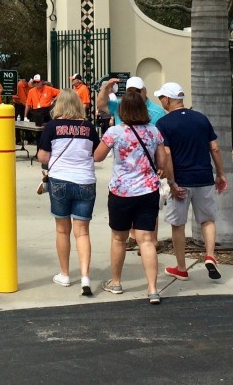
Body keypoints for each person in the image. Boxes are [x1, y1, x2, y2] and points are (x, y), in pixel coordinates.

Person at [93, 88, 177, 304]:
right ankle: (152, 289)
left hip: (121, 191)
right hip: (148, 191)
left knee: (119, 238)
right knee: (147, 240)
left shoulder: (115, 132)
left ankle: (116, 282)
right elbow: (161, 162)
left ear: (123, 110)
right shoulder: (153, 131)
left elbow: (98, 157)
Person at [154, 82, 228, 281]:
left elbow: (167, 155)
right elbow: (215, 148)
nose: (160, 101)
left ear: (168, 99)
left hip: (182, 182)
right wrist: (220, 173)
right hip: (204, 178)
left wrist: (171, 182)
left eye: (161, 97)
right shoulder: (201, 119)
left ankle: (181, 267)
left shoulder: (164, 123)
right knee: (207, 219)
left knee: (178, 224)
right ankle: (210, 256)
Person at [37, 90, 101, 296]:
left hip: (60, 180)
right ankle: (85, 277)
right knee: (82, 232)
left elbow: (43, 156)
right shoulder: (89, 128)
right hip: (85, 181)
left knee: (62, 229)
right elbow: (97, 155)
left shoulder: (52, 127)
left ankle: (65, 274)